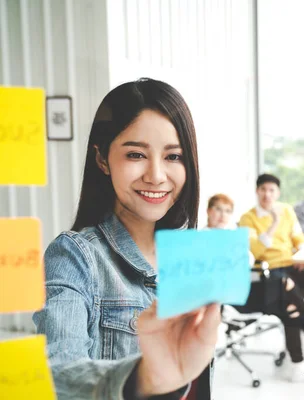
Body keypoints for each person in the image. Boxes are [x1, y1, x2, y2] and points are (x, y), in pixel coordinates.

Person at [33, 78, 220, 399]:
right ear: (103, 159)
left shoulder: (189, 257)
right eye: (136, 155)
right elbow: (55, 374)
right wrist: (142, 378)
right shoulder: (74, 255)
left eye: (173, 157)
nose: (157, 175)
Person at [239, 173, 304, 380]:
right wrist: (273, 223)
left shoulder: (287, 210)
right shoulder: (248, 218)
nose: (267, 194)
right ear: (257, 191)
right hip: (270, 271)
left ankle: (299, 359)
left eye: (271, 190)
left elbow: (298, 237)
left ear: (277, 192)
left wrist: (302, 254)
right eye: (263, 190)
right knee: (289, 305)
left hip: (293, 266)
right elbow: (257, 250)